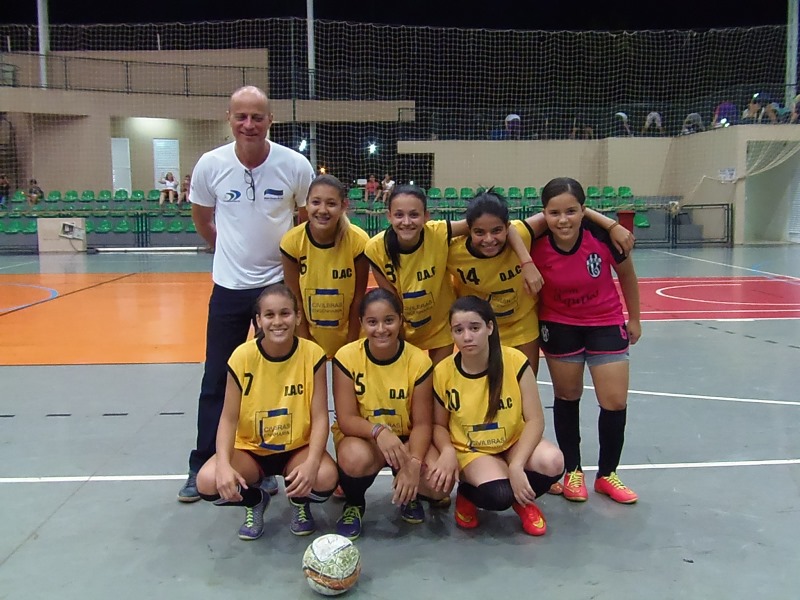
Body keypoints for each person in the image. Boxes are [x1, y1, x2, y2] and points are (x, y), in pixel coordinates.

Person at [178, 85, 316, 503]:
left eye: (257, 116)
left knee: (270, 382)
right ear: (229, 118)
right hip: (229, 288)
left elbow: (308, 222)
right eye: (242, 116)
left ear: (270, 120)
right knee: (217, 377)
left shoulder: (294, 165)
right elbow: (203, 219)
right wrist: (227, 250)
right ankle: (201, 464)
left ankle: (266, 463)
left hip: (276, 290)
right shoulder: (211, 165)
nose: (249, 124)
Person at [530, 177, 641, 504]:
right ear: (544, 214)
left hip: (605, 322)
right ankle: (572, 470)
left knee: (615, 401)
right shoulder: (536, 242)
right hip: (559, 325)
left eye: (571, 211)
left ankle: (608, 474)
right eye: (554, 213)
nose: (563, 220)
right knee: (567, 397)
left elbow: (628, 276)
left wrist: (634, 318)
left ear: (583, 211)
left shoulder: (604, 237)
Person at [195, 285, 338, 539]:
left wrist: (313, 462)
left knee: (325, 477)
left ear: (297, 317)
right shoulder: (242, 357)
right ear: (258, 320)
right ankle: (255, 500)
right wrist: (225, 464)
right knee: (207, 481)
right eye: (269, 315)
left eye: (285, 313)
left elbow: (319, 416)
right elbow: (228, 419)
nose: (278, 322)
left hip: (296, 449)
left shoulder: (312, 354)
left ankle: (299, 500)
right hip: (251, 450)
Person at [428, 296, 564, 536]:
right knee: (499, 495)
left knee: (553, 461)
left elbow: (535, 420)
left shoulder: (514, 361)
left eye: (474, 328)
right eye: (458, 330)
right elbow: (438, 424)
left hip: (513, 443)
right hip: (472, 450)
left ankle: (522, 501)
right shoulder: (443, 371)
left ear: (490, 327)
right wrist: (448, 451)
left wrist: (517, 464)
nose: (467, 337)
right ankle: (468, 494)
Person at [365, 185, 541, 368]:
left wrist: (526, 262)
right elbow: (391, 303)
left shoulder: (440, 233)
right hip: (408, 328)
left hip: (443, 328)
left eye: (414, 215)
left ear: (426, 216)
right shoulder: (376, 249)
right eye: (399, 215)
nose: (407, 221)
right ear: (389, 216)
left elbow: (493, 222)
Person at [331, 289, 445, 539]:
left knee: (438, 484)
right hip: (365, 439)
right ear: (361, 323)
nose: (381, 329)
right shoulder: (347, 357)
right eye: (372, 322)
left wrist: (413, 463)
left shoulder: (417, 361)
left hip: (405, 440)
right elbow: (346, 419)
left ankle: (408, 493)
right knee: (353, 457)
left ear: (400, 320)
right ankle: (354, 502)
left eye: (389, 320)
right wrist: (378, 431)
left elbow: (423, 423)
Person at [280, 173, 370, 359]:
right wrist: (305, 344)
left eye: (331, 203)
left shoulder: (358, 242)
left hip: (349, 336)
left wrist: (351, 345)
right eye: (316, 202)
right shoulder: (292, 243)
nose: (322, 210)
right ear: (306, 204)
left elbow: (358, 298)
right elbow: (294, 298)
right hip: (308, 336)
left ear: (343, 206)